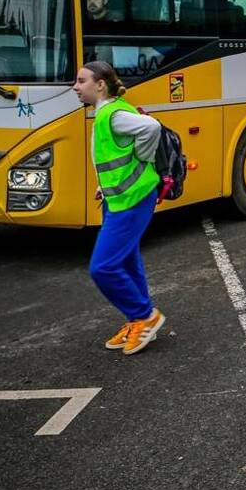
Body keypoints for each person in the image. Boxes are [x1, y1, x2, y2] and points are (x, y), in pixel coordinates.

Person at [72, 60, 166, 356]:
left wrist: (143, 158)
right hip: (118, 198)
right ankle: (138, 318)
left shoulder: (112, 115)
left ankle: (146, 316)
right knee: (125, 260)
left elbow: (152, 128)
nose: (75, 87)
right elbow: (114, 158)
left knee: (103, 267)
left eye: (81, 81)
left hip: (133, 198)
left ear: (100, 85)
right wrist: (107, 185)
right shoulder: (105, 114)